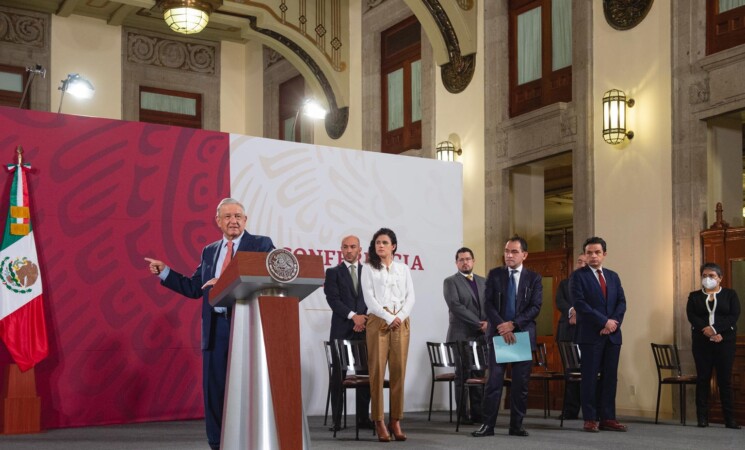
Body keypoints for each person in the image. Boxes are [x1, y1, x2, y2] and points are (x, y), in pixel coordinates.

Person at [144, 198, 275, 450]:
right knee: (215, 392)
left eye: (237, 216)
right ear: (218, 222)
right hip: (216, 328)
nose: (233, 221)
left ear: (245, 220)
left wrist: (225, 281)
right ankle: (217, 443)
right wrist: (165, 272)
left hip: (246, 327)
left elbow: (270, 277)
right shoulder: (209, 251)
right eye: (227, 217)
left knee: (248, 389)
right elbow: (196, 288)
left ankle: (251, 441)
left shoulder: (261, 244)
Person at [472, 236, 542, 438]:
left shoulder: (534, 278)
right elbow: (488, 304)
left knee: (520, 385)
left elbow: (535, 307)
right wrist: (503, 327)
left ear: (524, 255)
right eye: (506, 251)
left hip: (521, 335)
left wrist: (513, 325)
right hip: (499, 335)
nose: (509, 255)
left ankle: (516, 426)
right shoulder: (495, 275)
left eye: (514, 251)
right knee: (493, 383)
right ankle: (488, 426)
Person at [361, 228, 416, 442]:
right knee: (376, 372)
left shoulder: (403, 268)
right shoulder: (368, 268)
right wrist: (387, 316)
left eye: (384, 242)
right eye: (377, 243)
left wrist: (399, 316)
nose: (380, 246)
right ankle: (379, 420)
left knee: (399, 371)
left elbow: (410, 297)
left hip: (400, 322)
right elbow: (369, 299)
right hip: (378, 321)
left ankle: (395, 419)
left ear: (393, 246)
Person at [570, 236, 627, 433]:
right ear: (585, 255)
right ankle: (590, 418)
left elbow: (621, 302)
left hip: (612, 335)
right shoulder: (578, 276)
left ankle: (608, 418)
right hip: (590, 336)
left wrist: (612, 324)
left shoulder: (613, 276)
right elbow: (580, 304)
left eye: (597, 252)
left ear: (604, 254)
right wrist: (603, 321)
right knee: (590, 377)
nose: (593, 256)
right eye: (589, 253)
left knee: (610, 377)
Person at [324, 235, 372, 431]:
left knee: (365, 376)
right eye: (345, 247)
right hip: (342, 330)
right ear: (341, 250)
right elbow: (333, 299)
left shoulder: (369, 272)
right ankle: (336, 420)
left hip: (364, 330)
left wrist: (362, 318)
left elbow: (371, 298)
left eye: (353, 247)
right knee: (338, 376)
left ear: (360, 250)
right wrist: (354, 316)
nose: (349, 250)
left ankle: (363, 418)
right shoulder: (333, 272)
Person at [686, 262, 741, 429]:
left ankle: (729, 419)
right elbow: (692, 316)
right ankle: (702, 418)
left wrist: (716, 330)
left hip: (725, 343)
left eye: (711, 276)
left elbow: (733, 315)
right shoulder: (694, 296)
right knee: (703, 379)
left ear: (720, 278)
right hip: (702, 343)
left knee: (724, 381)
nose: (707, 279)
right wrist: (708, 331)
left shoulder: (730, 295)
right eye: (704, 276)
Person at [443, 247, 487, 424]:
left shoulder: (484, 281)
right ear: (456, 263)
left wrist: (488, 323)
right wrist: (479, 323)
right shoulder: (450, 282)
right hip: (460, 335)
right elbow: (456, 306)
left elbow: (490, 305)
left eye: (468, 259)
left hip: (480, 337)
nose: (465, 262)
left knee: (478, 374)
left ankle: (478, 413)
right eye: (461, 259)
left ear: (473, 261)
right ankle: (462, 414)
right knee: (463, 375)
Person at [554, 253, 587, 420]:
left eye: (584, 262)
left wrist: (579, 312)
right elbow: (559, 301)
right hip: (567, 332)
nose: (581, 264)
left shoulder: (592, 284)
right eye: (579, 261)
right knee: (571, 372)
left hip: (586, 333)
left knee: (587, 372)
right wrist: (572, 311)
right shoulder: (565, 283)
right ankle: (570, 411)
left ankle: (589, 410)